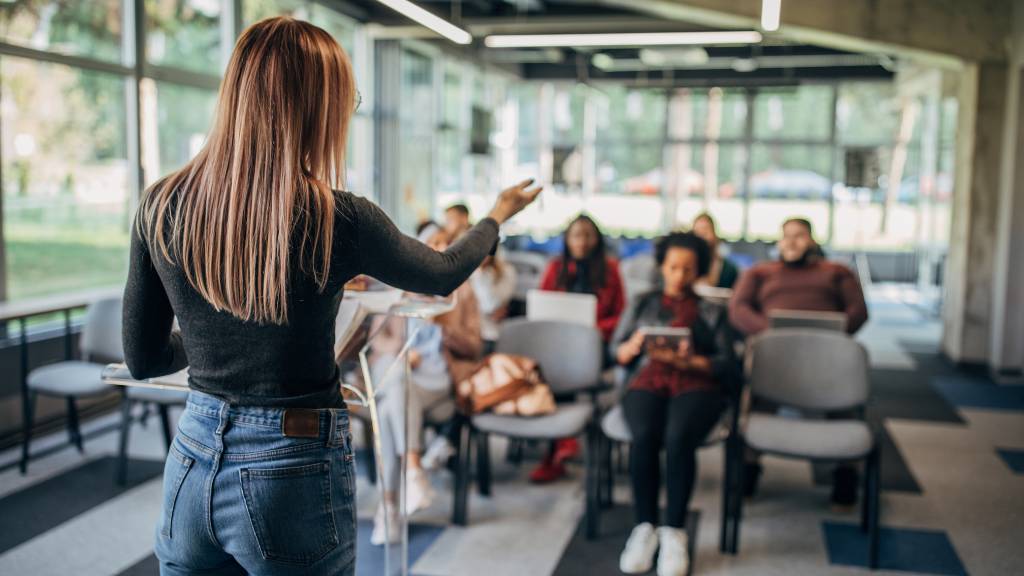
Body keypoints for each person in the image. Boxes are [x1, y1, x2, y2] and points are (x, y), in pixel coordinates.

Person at [122, 17, 541, 576]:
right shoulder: (337, 217)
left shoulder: (161, 203)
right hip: (289, 466)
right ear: (315, 106)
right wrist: (495, 216)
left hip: (191, 458)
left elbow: (144, 358)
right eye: (347, 99)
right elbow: (442, 273)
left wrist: (207, 345)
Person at [613, 232, 738, 576]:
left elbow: (727, 364)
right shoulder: (641, 302)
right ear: (662, 267)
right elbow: (616, 352)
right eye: (673, 268)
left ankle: (674, 530)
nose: (679, 276)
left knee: (679, 436)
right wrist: (634, 345)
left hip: (696, 383)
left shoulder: (712, 310)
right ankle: (644, 527)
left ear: (697, 270)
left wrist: (692, 361)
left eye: (687, 269)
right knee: (644, 434)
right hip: (647, 379)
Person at [728, 217, 868, 508]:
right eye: (786, 236)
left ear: (813, 241)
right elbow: (737, 308)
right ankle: (749, 468)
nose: (791, 241)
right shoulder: (761, 272)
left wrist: (835, 335)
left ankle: (846, 472)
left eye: (799, 235)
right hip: (774, 356)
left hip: (827, 357)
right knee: (756, 402)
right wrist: (767, 333)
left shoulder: (836, 272)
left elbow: (858, 311)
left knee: (844, 406)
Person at [368, 228, 483, 545]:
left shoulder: (463, 293)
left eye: (443, 244)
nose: (436, 249)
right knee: (396, 390)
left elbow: (475, 347)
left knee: (390, 409)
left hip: (438, 382)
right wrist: (404, 353)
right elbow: (379, 342)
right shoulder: (397, 289)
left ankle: (389, 506)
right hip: (402, 376)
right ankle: (413, 472)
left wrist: (447, 331)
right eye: (429, 244)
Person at [532, 214, 626, 483]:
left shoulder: (611, 269)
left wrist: (592, 328)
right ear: (567, 239)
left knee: (565, 368)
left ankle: (560, 446)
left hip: (596, 345)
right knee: (549, 366)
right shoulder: (555, 268)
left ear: (596, 239)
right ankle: (560, 445)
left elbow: (621, 315)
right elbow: (542, 308)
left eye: (588, 235)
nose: (582, 241)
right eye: (576, 235)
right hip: (557, 345)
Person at [471, 251, 517, 355]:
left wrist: (481, 274)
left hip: (490, 332)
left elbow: (490, 306)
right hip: (470, 330)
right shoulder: (468, 272)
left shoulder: (507, 272)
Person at [691, 212, 739, 289]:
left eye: (705, 231)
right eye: (697, 233)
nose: (701, 237)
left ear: (714, 234)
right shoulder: (685, 267)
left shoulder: (728, 270)